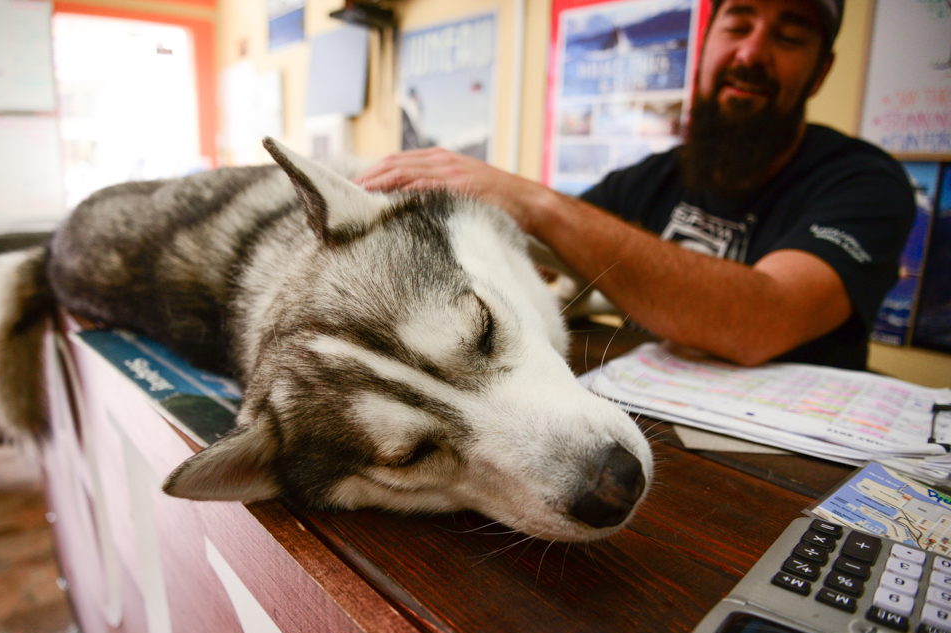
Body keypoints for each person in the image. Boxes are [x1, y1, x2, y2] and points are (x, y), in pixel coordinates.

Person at [355, 0, 915, 371]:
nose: (751, 53)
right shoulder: (658, 176)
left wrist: (534, 201)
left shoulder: (865, 182)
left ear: (821, 71)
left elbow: (761, 321)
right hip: (657, 424)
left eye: (789, 37)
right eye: (738, 25)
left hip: (792, 478)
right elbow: (537, 257)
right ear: (705, 47)